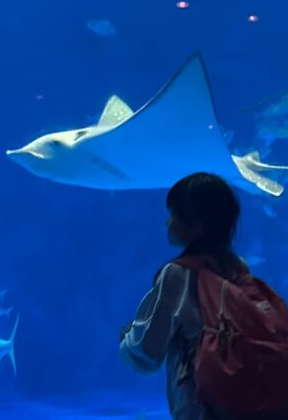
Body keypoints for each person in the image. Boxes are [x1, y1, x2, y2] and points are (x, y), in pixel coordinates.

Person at [119, 172, 247, 420]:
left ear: (196, 223)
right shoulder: (238, 267)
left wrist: (127, 341)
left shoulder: (177, 274)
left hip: (200, 406)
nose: (168, 223)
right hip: (244, 400)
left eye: (173, 215)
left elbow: (148, 353)